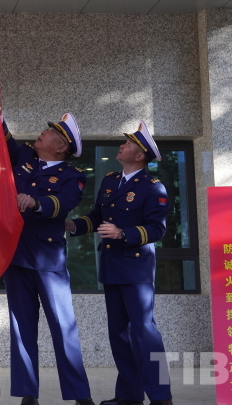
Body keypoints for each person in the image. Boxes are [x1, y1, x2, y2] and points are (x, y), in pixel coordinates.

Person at [66, 121, 173, 405]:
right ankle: (128, 396)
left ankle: (162, 396)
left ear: (139, 155)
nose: (121, 146)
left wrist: (123, 233)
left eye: (128, 144)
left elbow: (157, 229)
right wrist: (73, 225)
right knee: (119, 335)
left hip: (136, 268)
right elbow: (96, 217)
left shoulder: (153, 187)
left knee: (145, 333)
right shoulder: (111, 180)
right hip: (112, 266)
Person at [2, 113, 95, 405]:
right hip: (16, 254)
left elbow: (64, 203)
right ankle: (28, 394)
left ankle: (80, 395)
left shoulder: (73, 176)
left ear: (61, 147)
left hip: (47, 259)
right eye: (46, 129)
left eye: (51, 132)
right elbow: (2, 139)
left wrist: (36, 202)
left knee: (63, 327)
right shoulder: (24, 156)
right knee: (21, 327)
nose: (43, 132)